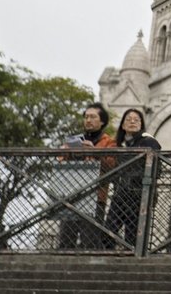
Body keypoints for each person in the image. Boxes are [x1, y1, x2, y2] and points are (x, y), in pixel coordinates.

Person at [57, 102, 117, 249]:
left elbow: (112, 165)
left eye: (93, 117)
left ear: (102, 121)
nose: (88, 120)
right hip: (72, 194)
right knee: (66, 239)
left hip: (95, 197)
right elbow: (61, 163)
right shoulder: (75, 140)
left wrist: (95, 152)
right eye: (86, 117)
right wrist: (63, 153)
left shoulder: (109, 142)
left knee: (89, 240)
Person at [105, 108, 161, 248]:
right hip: (120, 194)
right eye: (128, 119)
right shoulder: (119, 144)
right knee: (107, 232)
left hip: (139, 195)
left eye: (136, 119)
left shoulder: (149, 141)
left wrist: (133, 177)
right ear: (123, 125)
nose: (132, 122)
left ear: (141, 124)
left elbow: (156, 169)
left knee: (132, 237)